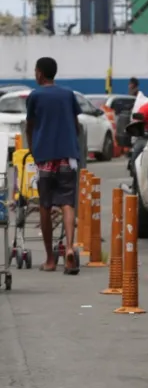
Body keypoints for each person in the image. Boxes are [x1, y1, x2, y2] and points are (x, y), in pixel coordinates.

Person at [24, 57, 81, 274]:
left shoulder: (35, 96)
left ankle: (49, 259)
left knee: (45, 206)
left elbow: (30, 125)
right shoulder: (68, 94)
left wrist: (33, 148)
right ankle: (69, 247)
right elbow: (76, 125)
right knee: (67, 203)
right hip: (67, 156)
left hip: (45, 158)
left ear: (40, 73)